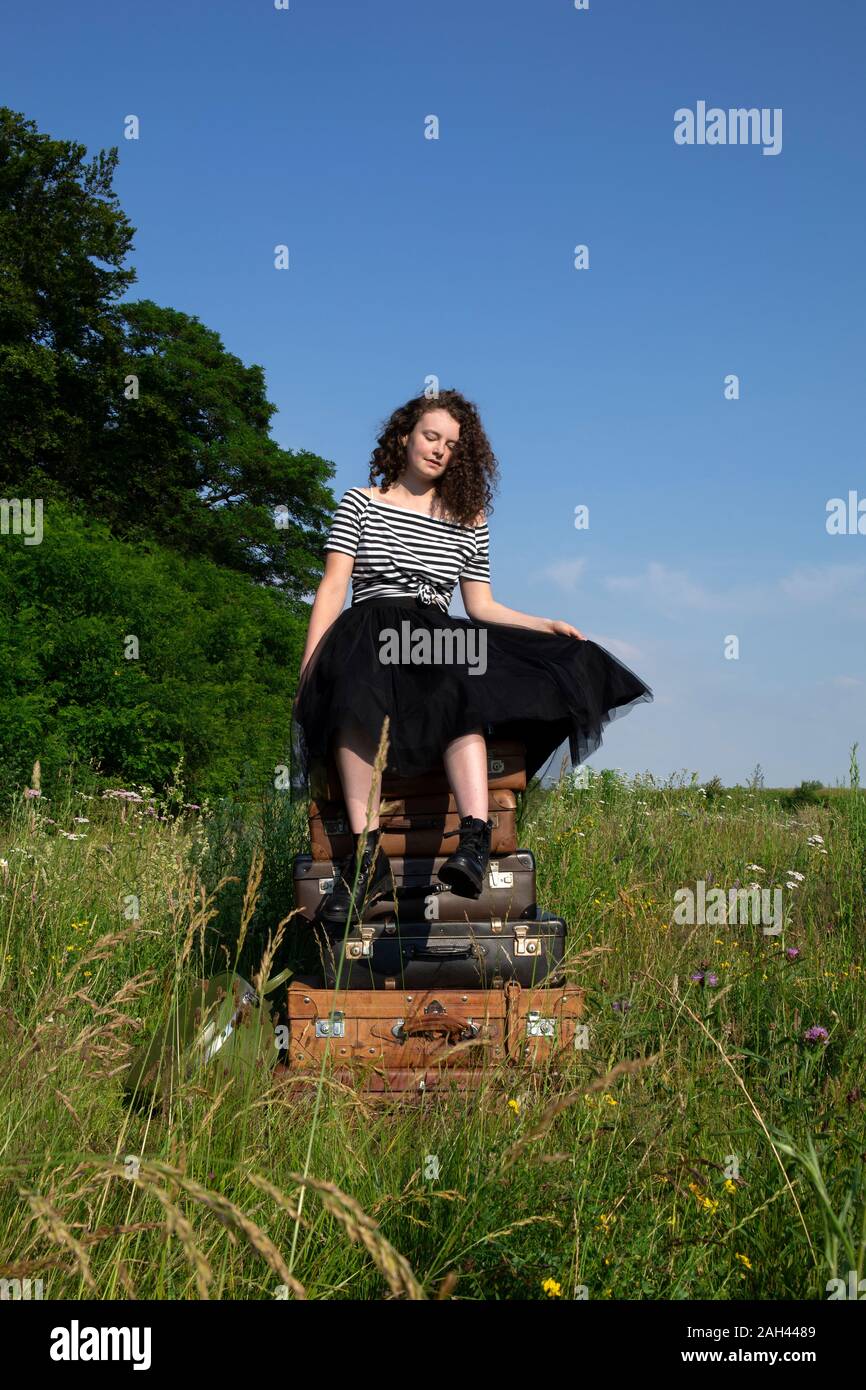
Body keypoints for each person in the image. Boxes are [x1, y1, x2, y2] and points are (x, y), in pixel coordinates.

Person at [291, 389, 653, 923]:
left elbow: (479, 604)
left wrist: (543, 623)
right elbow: (332, 586)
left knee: (465, 687)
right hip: (370, 628)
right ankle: (367, 864)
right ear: (404, 438)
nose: (439, 449)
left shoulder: (468, 516)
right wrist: (311, 665)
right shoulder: (360, 501)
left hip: (436, 630)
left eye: (452, 444)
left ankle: (474, 845)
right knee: (351, 699)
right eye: (431, 436)